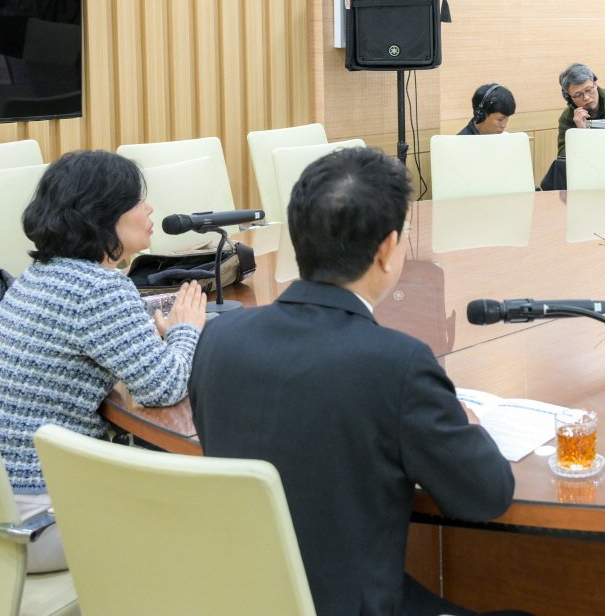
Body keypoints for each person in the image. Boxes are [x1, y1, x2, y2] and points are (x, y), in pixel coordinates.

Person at [189, 147, 522, 616]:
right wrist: (464, 420)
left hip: (248, 596)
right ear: (387, 249)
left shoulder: (218, 338)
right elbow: (486, 495)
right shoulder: (397, 364)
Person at [0, 150, 207, 574]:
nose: (149, 208)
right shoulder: (98, 289)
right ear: (104, 216)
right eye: (138, 201)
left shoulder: (43, 274)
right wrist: (185, 328)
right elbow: (166, 387)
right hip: (40, 520)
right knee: (202, 515)